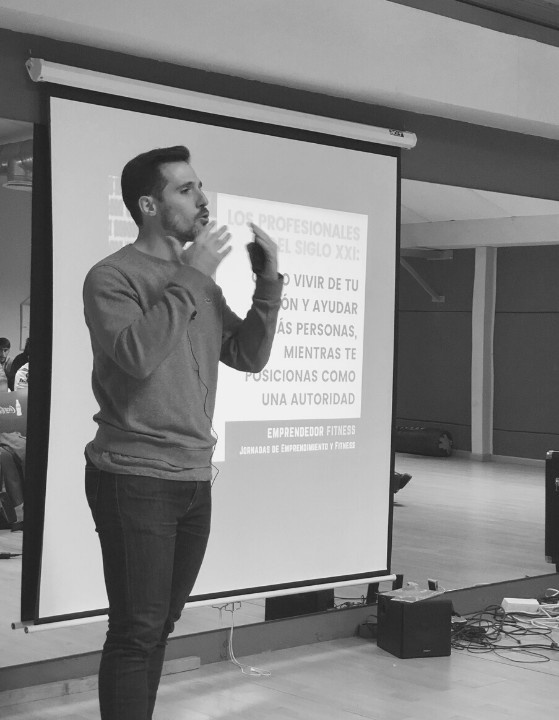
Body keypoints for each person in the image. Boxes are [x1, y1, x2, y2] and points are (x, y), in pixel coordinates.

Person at [82, 145, 282, 720]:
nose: (202, 198)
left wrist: (267, 281)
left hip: (193, 478)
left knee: (159, 626)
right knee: (136, 630)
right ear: (149, 206)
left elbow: (247, 355)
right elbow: (136, 356)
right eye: (186, 189)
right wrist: (193, 274)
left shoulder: (200, 286)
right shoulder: (112, 277)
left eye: (200, 186)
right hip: (134, 477)